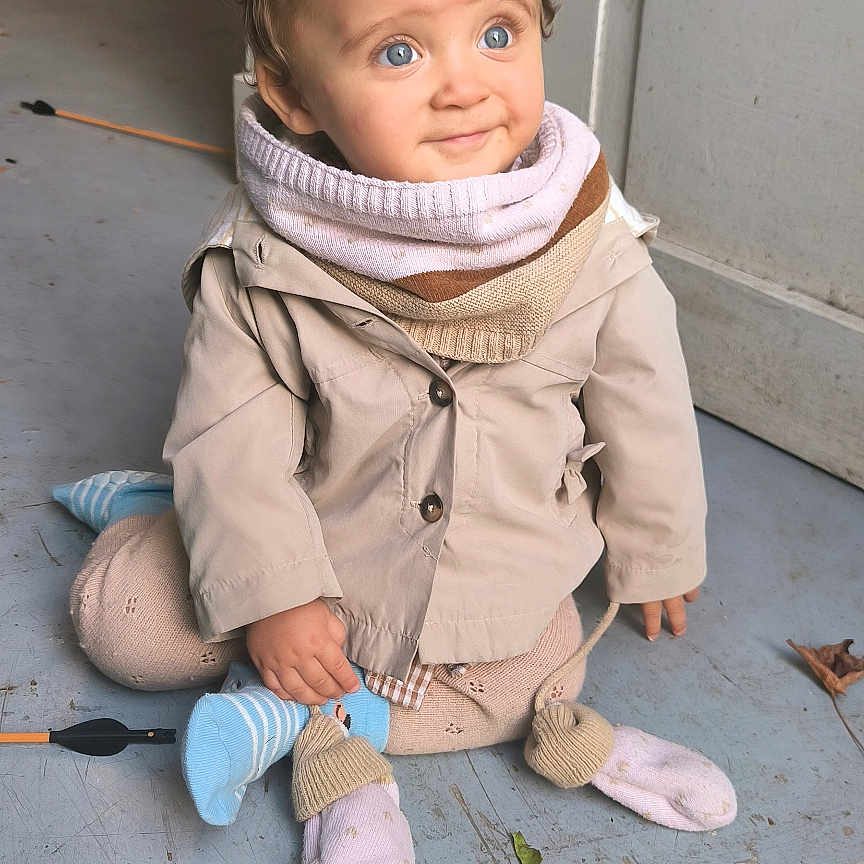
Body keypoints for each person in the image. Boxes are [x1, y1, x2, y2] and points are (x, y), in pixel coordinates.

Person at [52, 0, 736, 855]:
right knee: (128, 629)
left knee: (530, 678)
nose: (465, 88)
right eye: (401, 51)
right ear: (294, 94)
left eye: (498, 34)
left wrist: (658, 547)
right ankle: (162, 515)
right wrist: (275, 594)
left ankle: (288, 717)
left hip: (498, 558)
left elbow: (648, 406)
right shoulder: (266, 258)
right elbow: (231, 433)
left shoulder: (587, 241)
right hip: (320, 545)